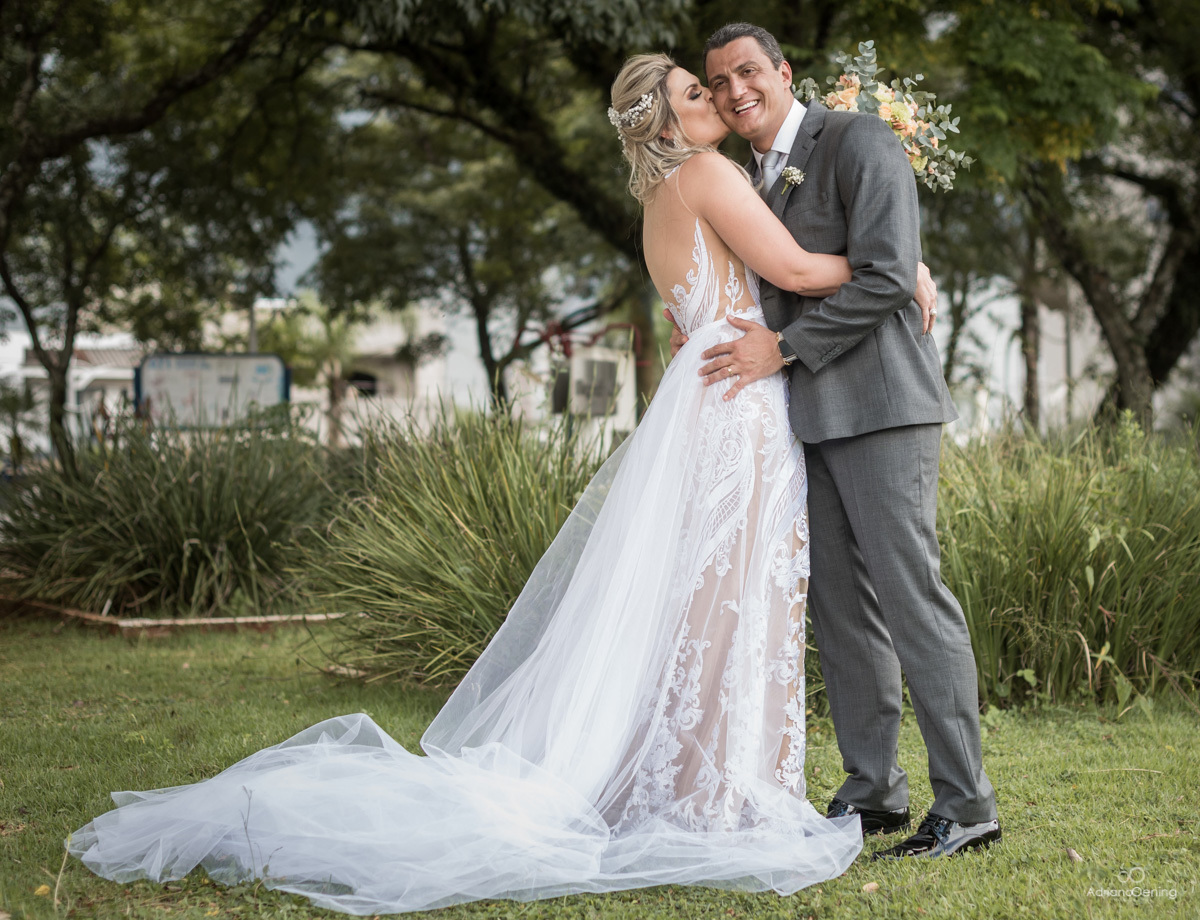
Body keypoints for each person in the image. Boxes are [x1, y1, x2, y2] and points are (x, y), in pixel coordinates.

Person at [67, 54, 938, 915]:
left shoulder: (658, 198)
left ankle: (708, 779)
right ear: (667, 123)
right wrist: (896, 268)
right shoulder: (708, 172)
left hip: (708, 399)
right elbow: (788, 272)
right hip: (738, 403)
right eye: (692, 90)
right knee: (731, 599)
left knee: (715, 600)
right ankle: (717, 791)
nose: (712, 96)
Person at [668, 22, 1001, 859]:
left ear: (784, 72)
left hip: (883, 406)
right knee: (843, 611)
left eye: (749, 72)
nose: (735, 90)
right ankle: (874, 790)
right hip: (803, 420)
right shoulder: (746, 175)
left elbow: (889, 272)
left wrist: (779, 346)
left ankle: (967, 805)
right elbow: (772, 275)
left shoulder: (858, 138)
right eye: (717, 81)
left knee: (910, 598)